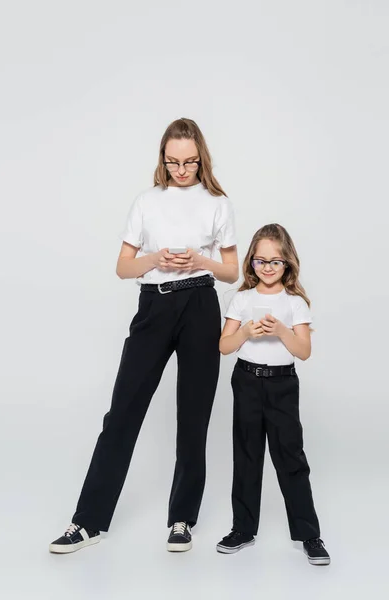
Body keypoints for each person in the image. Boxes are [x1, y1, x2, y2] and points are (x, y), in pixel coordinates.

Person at [49, 118, 238, 554]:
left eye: (190, 161)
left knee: (194, 417)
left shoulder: (217, 203)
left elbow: (232, 270)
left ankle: (181, 519)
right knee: (122, 413)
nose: (182, 169)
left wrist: (198, 260)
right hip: (153, 305)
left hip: (200, 305)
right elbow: (123, 267)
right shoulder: (146, 202)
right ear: (163, 158)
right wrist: (156, 258)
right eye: (173, 161)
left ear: (201, 158)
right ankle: (89, 521)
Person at [215, 224, 330, 566]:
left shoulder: (294, 302)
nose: (267, 268)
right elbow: (224, 346)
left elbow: (304, 352)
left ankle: (309, 534)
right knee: (247, 455)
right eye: (260, 261)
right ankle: (243, 529)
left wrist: (280, 330)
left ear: (287, 265)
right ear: (251, 262)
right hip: (247, 381)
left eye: (276, 262)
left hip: (282, 385)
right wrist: (247, 332)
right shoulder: (242, 299)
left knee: (290, 457)